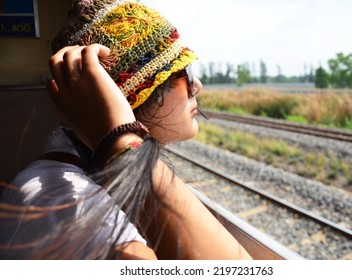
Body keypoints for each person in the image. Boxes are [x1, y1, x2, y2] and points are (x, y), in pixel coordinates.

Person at [0, 0, 252, 260]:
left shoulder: (63, 175)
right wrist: (122, 136)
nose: (196, 84)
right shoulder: (81, 211)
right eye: (182, 72)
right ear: (135, 93)